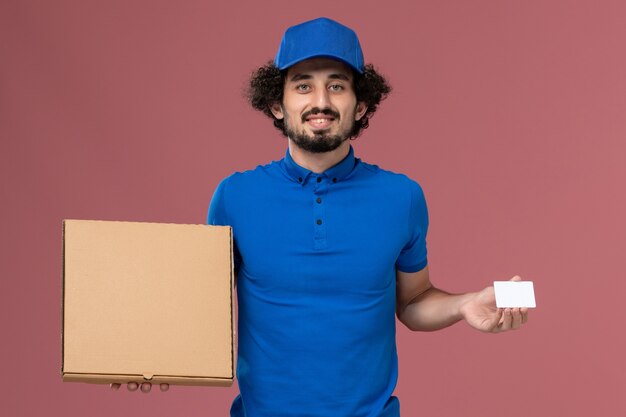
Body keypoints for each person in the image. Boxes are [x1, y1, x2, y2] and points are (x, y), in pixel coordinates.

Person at [112, 17, 529, 416]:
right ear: (277, 104)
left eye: (336, 86)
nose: (321, 102)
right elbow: (201, 310)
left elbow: (414, 300)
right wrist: (145, 354)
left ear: (361, 104)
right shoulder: (234, 197)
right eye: (303, 86)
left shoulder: (402, 197)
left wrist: (466, 304)